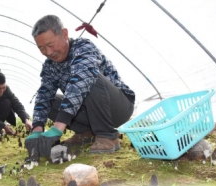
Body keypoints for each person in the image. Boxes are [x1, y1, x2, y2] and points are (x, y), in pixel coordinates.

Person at [25, 15, 135, 157]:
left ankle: (107, 135)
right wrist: (37, 129)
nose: (48, 52)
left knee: (88, 78)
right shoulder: (49, 65)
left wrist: (58, 127)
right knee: (51, 101)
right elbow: (44, 94)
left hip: (119, 108)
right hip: (90, 113)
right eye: (42, 48)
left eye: (51, 45)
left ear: (64, 34)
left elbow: (80, 83)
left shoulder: (84, 48)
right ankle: (85, 132)